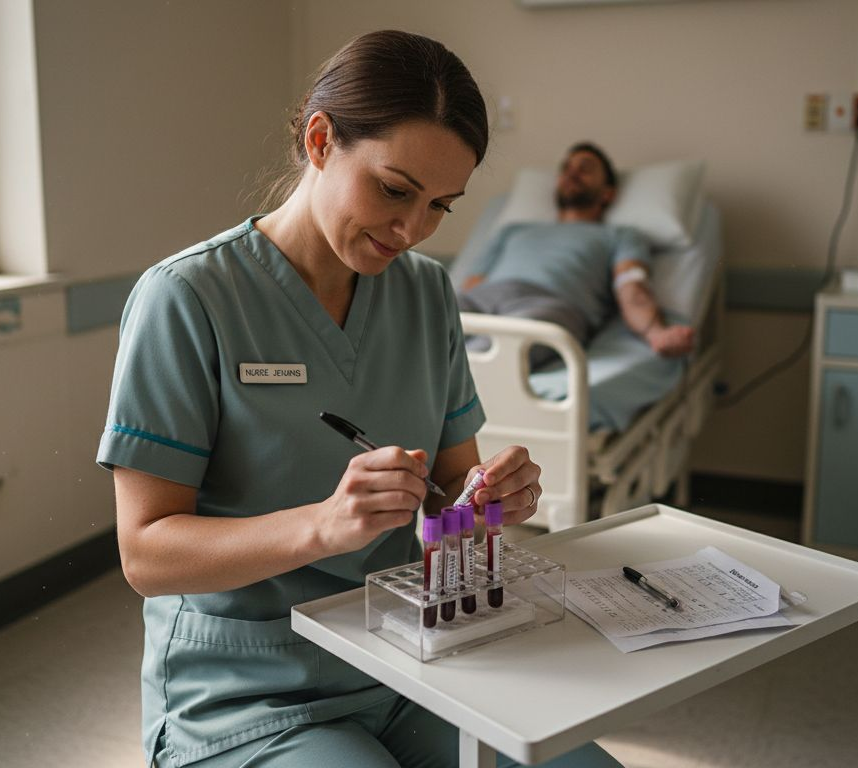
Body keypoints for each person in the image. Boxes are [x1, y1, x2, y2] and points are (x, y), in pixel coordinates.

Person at [97, 30, 623, 768]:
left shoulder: (427, 293)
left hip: (407, 659)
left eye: (441, 204)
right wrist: (322, 526)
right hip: (248, 688)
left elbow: (451, 498)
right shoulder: (188, 299)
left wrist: (484, 502)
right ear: (320, 141)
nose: (412, 230)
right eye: (395, 190)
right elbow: (146, 553)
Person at [458, 143, 694, 362]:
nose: (572, 173)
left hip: (550, 303)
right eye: (566, 168)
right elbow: (472, 286)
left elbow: (631, 287)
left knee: (492, 351)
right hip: (487, 296)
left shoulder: (619, 235)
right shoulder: (513, 230)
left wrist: (656, 332)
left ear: (607, 193)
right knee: (429, 319)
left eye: (585, 169)